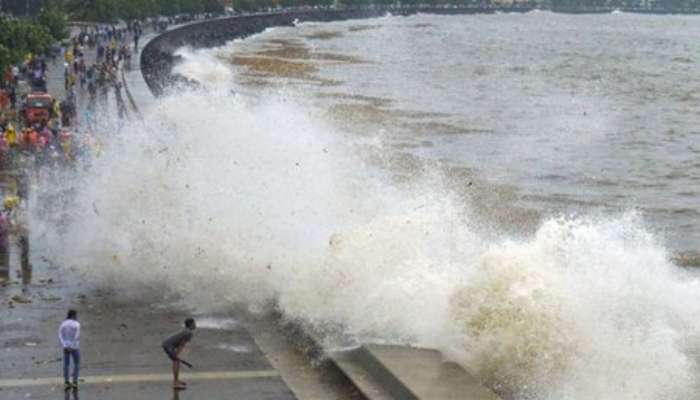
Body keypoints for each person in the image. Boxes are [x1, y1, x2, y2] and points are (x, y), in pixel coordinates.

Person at [162, 318, 196, 390]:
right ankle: (175, 383)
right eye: (194, 323)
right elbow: (182, 344)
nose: (195, 325)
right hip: (168, 345)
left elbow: (180, 343)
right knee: (176, 361)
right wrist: (177, 355)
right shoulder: (189, 333)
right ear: (190, 325)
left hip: (168, 344)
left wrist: (176, 355)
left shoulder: (187, 331)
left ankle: (176, 380)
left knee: (176, 361)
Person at [59, 309, 81, 389]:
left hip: (65, 347)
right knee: (76, 364)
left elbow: (60, 335)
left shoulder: (63, 324)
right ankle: (75, 382)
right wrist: (71, 346)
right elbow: (76, 336)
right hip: (74, 347)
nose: (76, 317)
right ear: (73, 315)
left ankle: (66, 382)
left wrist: (64, 345)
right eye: (76, 315)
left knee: (66, 364)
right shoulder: (77, 324)